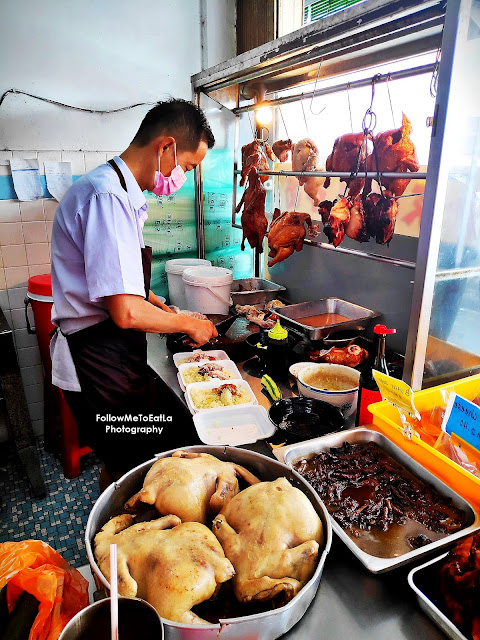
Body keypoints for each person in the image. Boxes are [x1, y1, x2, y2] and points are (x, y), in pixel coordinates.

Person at [50, 99, 218, 489]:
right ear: (166, 148)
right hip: (95, 361)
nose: (183, 177)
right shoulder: (107, 197)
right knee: (134, 467)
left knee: (130, 459)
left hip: (111, 353)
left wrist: (155, 301)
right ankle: (119, 540)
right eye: (187, 167)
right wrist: (186, 323)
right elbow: (124, 312)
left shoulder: (115, 190)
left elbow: (115, 285)